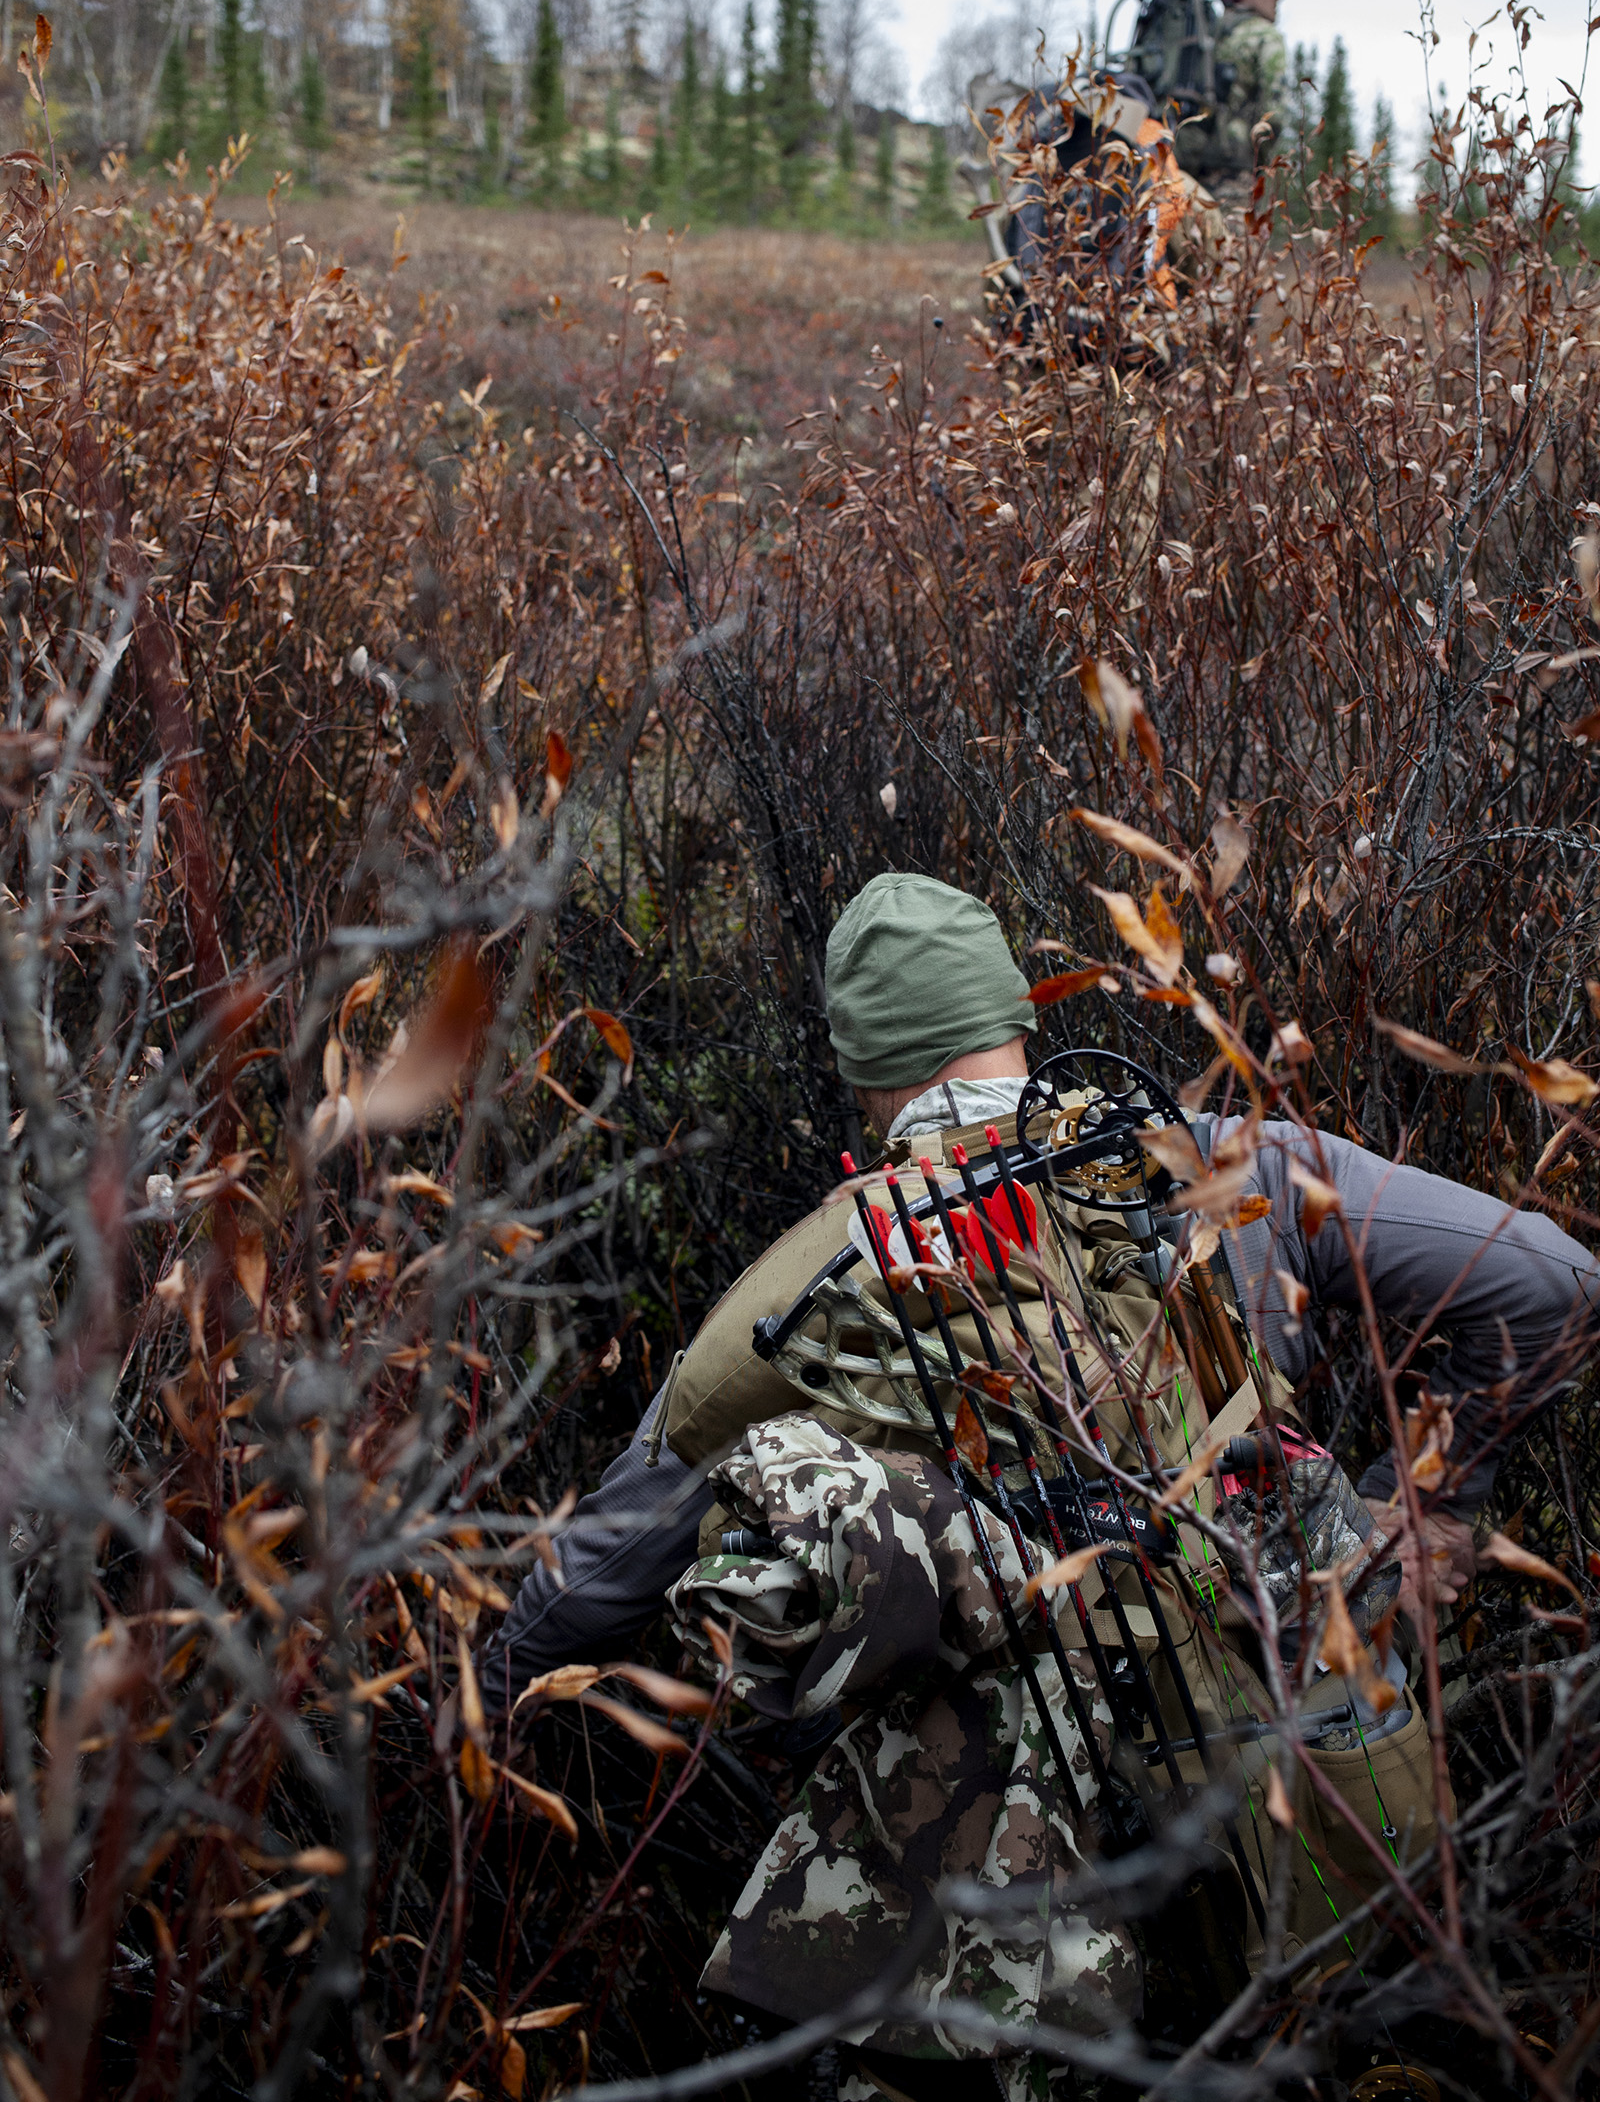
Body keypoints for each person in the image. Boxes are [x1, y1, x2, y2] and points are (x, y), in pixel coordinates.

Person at [481, 874, 1595, 2090]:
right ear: (1020, 1014)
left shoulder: (782, 1308)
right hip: (1322, 1820)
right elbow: (1548, 1285)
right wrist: (1422, 1514)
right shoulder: (1232, 1170)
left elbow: (583, 1601)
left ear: (861, 1072)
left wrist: (434, 1725)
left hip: (1018, 1947)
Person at [1209, 0, 1299, 201]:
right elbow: (1274, 113)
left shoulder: (1208, 37)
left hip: (1183, 168)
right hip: (1235, 171)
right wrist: (1261, 161)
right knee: (1230, 241)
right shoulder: (1265, 36)